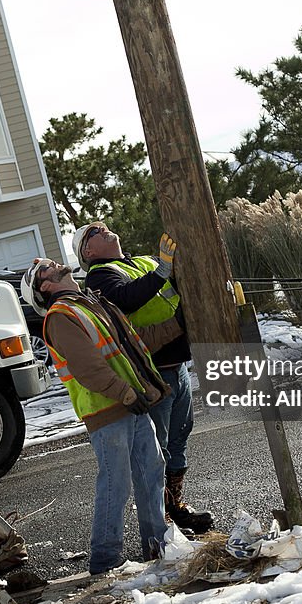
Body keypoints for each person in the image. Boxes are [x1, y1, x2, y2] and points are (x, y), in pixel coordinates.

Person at [20, 256, 183, 575]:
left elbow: (137, 342)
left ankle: (158, 545)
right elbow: (87, 368)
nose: (51, 263)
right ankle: (106, 559)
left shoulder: (93, 304)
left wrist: (180, 323)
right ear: (45, 287)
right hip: (108, 409)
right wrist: (125, 392)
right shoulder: (60, 316)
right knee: (116, 483)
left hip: (132, 401)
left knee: (151, 470)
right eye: (43, 268)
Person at [74, 222, 213, 534]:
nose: (104, 227)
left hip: (176, 363)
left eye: (103, 225)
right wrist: (162, 271)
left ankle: (175, 505)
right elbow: (124, 299)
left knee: (179, 437)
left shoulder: (146, 262)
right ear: (88, 251)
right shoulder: (99, 276)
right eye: (95, 230)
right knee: (156, 449)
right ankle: (160, 522)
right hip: (152, 371)